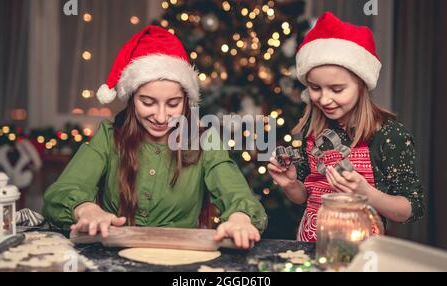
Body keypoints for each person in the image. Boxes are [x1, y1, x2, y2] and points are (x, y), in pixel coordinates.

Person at [43, 26, 267, 249]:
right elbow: (59, 195)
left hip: (181, 261)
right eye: (147, 102)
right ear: (131, 99)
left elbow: (237, 193)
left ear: (186, 101)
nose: (161, 117)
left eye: (173, 104)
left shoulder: (205, 141)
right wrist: (86, 209)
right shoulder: (108, 137)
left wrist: (240, 218)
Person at [268, 12, 425, 242]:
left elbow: (410, 209)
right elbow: (303, 196)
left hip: (361, 254)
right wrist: (290, 183)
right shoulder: (312, 129)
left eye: (337, 89)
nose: (324, 99)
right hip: (310, 248)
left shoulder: (389, 136)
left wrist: (365, 193)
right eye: (315, 88)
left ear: (361, 84)